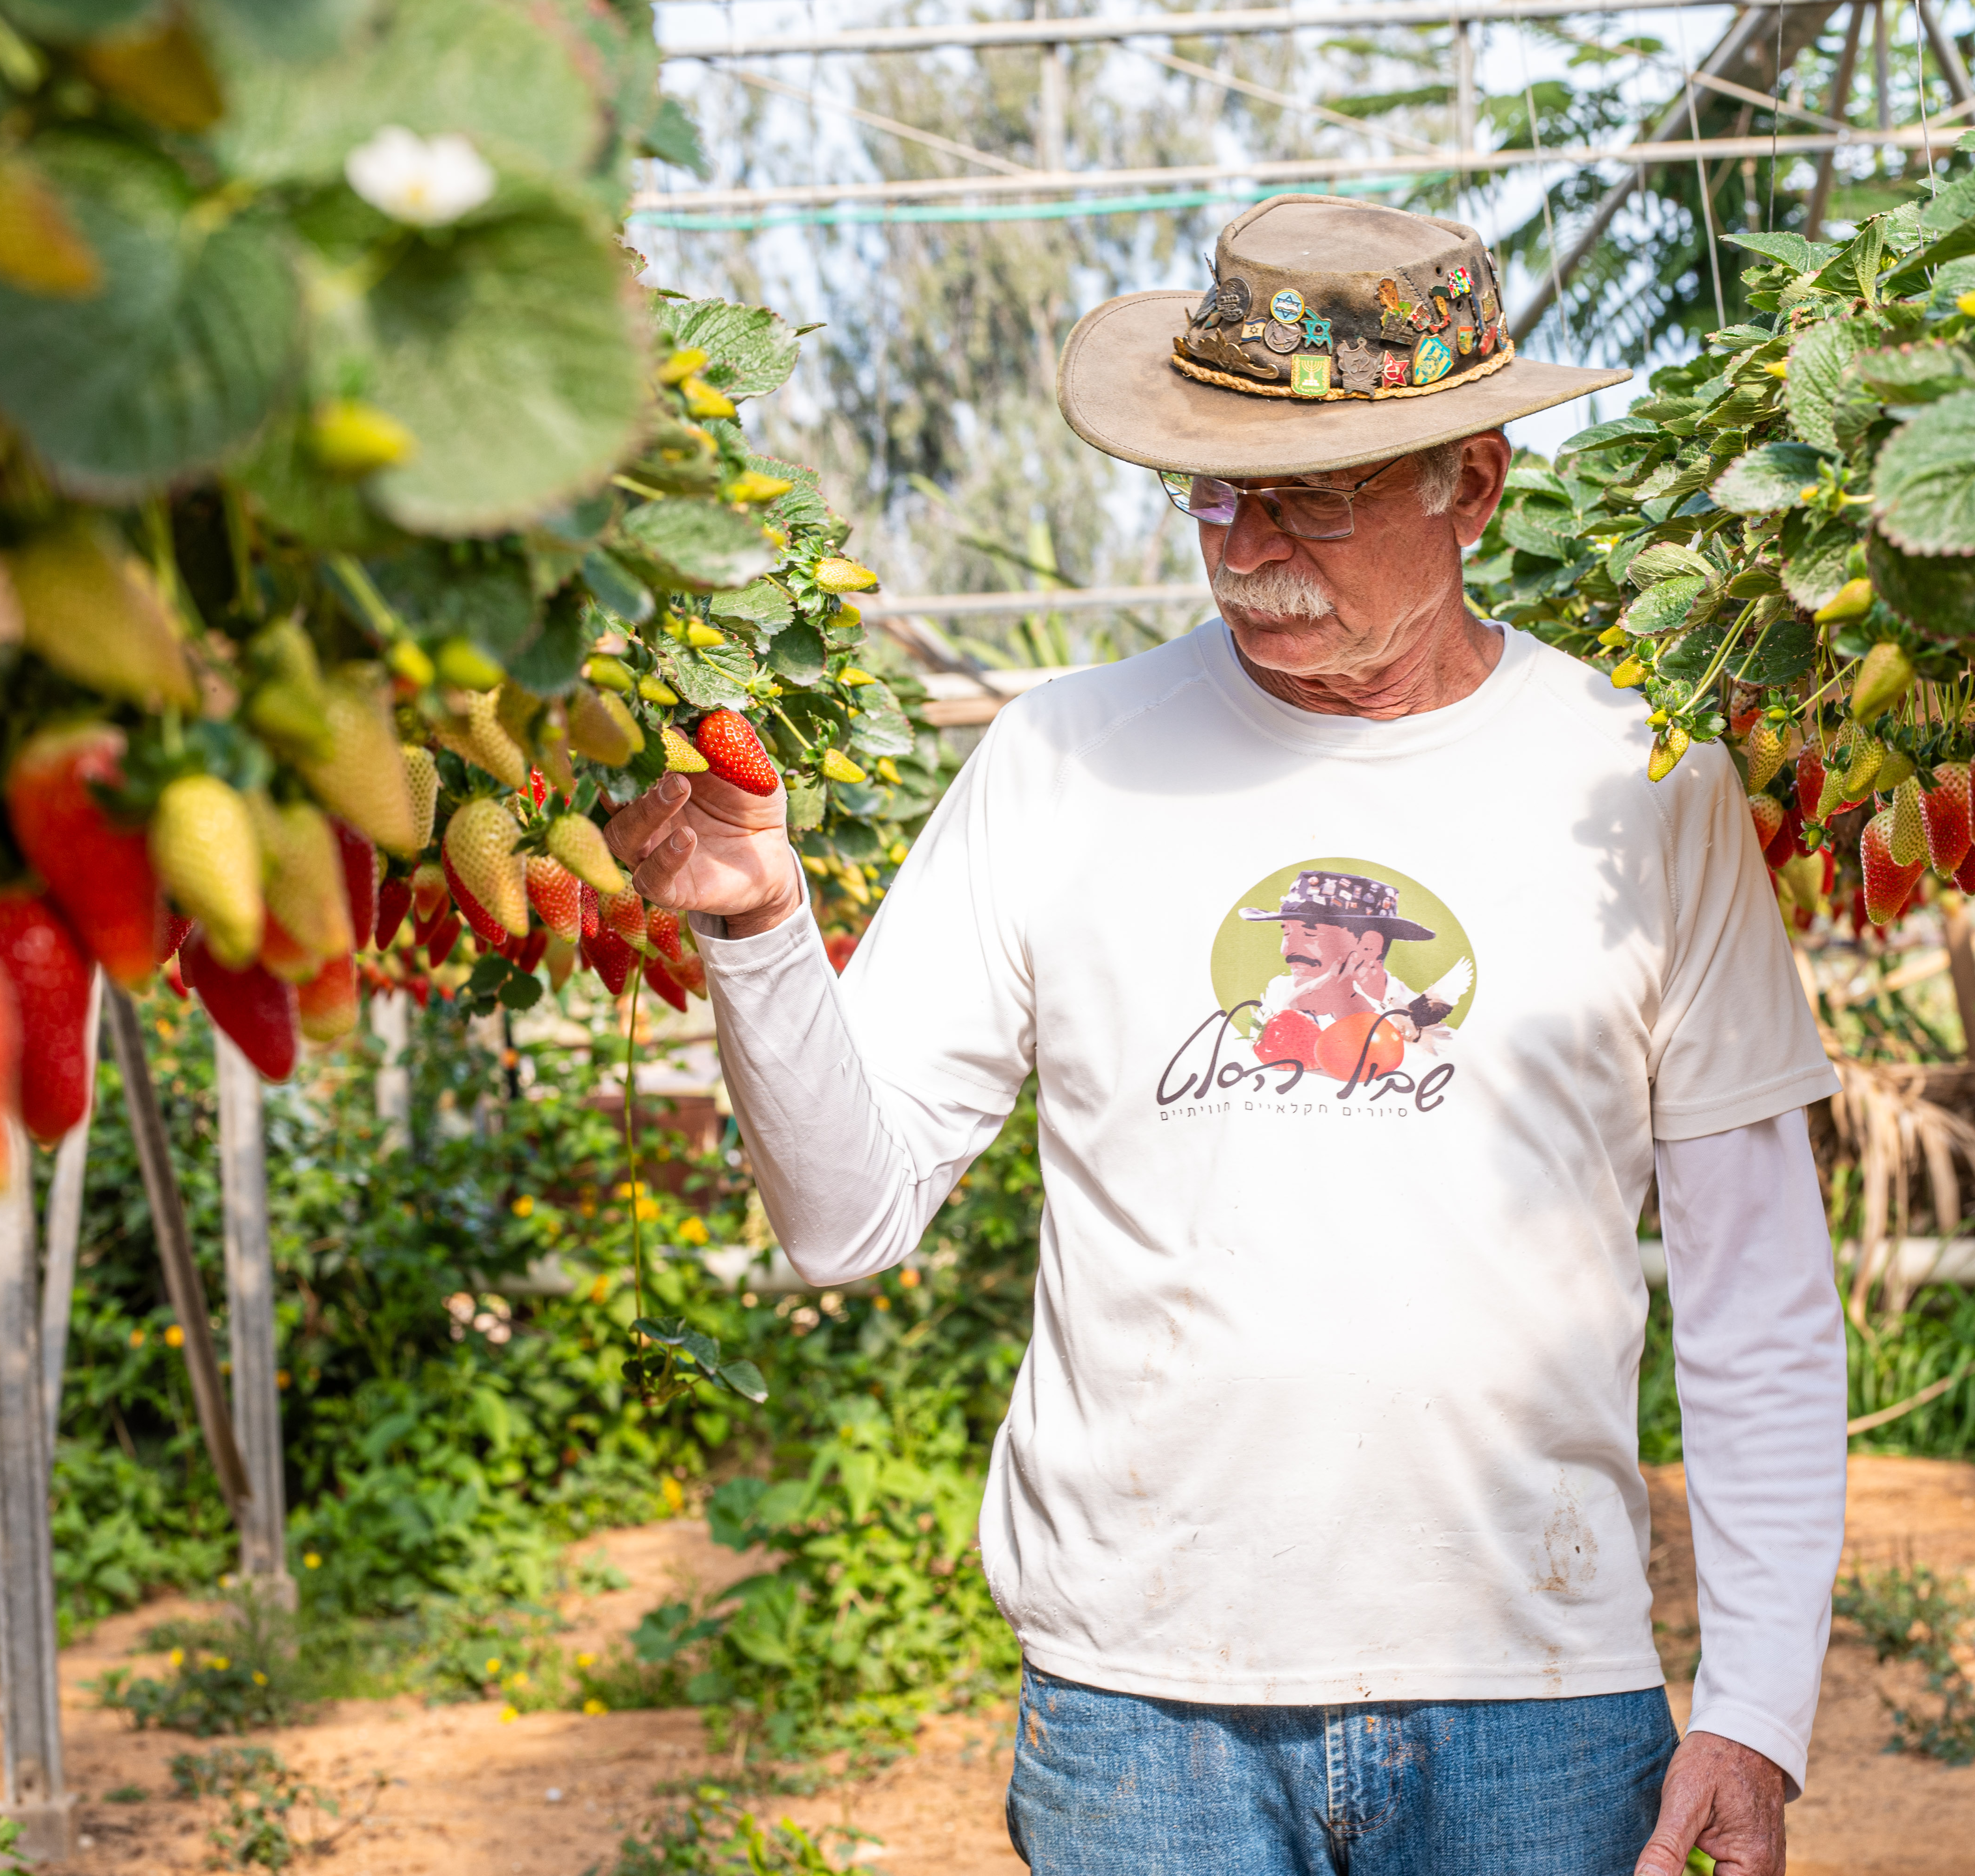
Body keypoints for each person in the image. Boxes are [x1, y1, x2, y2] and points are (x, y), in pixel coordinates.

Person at [607, 194, 1847, 1876]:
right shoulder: (1064, 760)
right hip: (1142, 1713)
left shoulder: (1639, 778)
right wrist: (762, 925)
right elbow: (846, 1219)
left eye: (1316, 496)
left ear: (1473, 483)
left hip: (1539, 1702)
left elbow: (1758, 1291)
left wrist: (1757, 1707)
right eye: (1215, 486)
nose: (1249, 545)